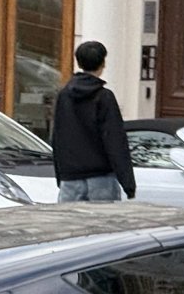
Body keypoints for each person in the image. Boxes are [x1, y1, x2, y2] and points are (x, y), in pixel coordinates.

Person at [50, 40, 136, 202]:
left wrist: (60, 175)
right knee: (103, 226)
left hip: (70, 179)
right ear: (103, 63)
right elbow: (115, 140)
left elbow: (57, 136)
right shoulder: (104, 97)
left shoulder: (64, 95)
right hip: (101, 177)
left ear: (79, 62)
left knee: (69, 226)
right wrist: (128, 184)